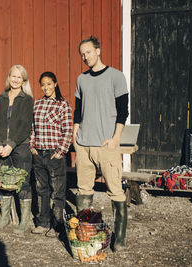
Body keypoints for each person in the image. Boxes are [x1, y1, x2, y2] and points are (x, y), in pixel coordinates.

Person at [74, 36, 129, 251]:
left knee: (115, 190)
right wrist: (75, 134)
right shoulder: (82, 79)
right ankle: (84, 233)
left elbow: (123, 111)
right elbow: (78, 110)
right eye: (82, 54)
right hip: (84, 145)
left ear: (98, 50)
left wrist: (116, 139)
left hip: (106, 145)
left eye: (88, 52)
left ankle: (120, 237)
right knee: (83, 190)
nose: (85, 57)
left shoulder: (116, 76)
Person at [30, 72, 73, 237]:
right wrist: (32, 146)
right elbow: (32, 127)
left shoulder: (63, 105)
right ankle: (43, 222)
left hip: (54, 155)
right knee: (42, 190)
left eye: (49, 83)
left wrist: (60, 152)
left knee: (57, 192)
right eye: (43, 84)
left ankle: (57, 226)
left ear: (55, 84)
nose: (46, 87)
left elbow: (67, 131)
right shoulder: (37, 104)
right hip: (39, 154)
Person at [0, 64, 34, 235]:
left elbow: (25, 126)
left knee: (22, 182)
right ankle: (4, 217)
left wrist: (11, 144)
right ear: (8, 78)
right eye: (13, 76)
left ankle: (24, 221)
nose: (16, 80)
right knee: (5, 183)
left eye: (19, 77)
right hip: (3, 146)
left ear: (24, 80)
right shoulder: (0, 98)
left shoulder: (27, 99)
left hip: (20, 146)